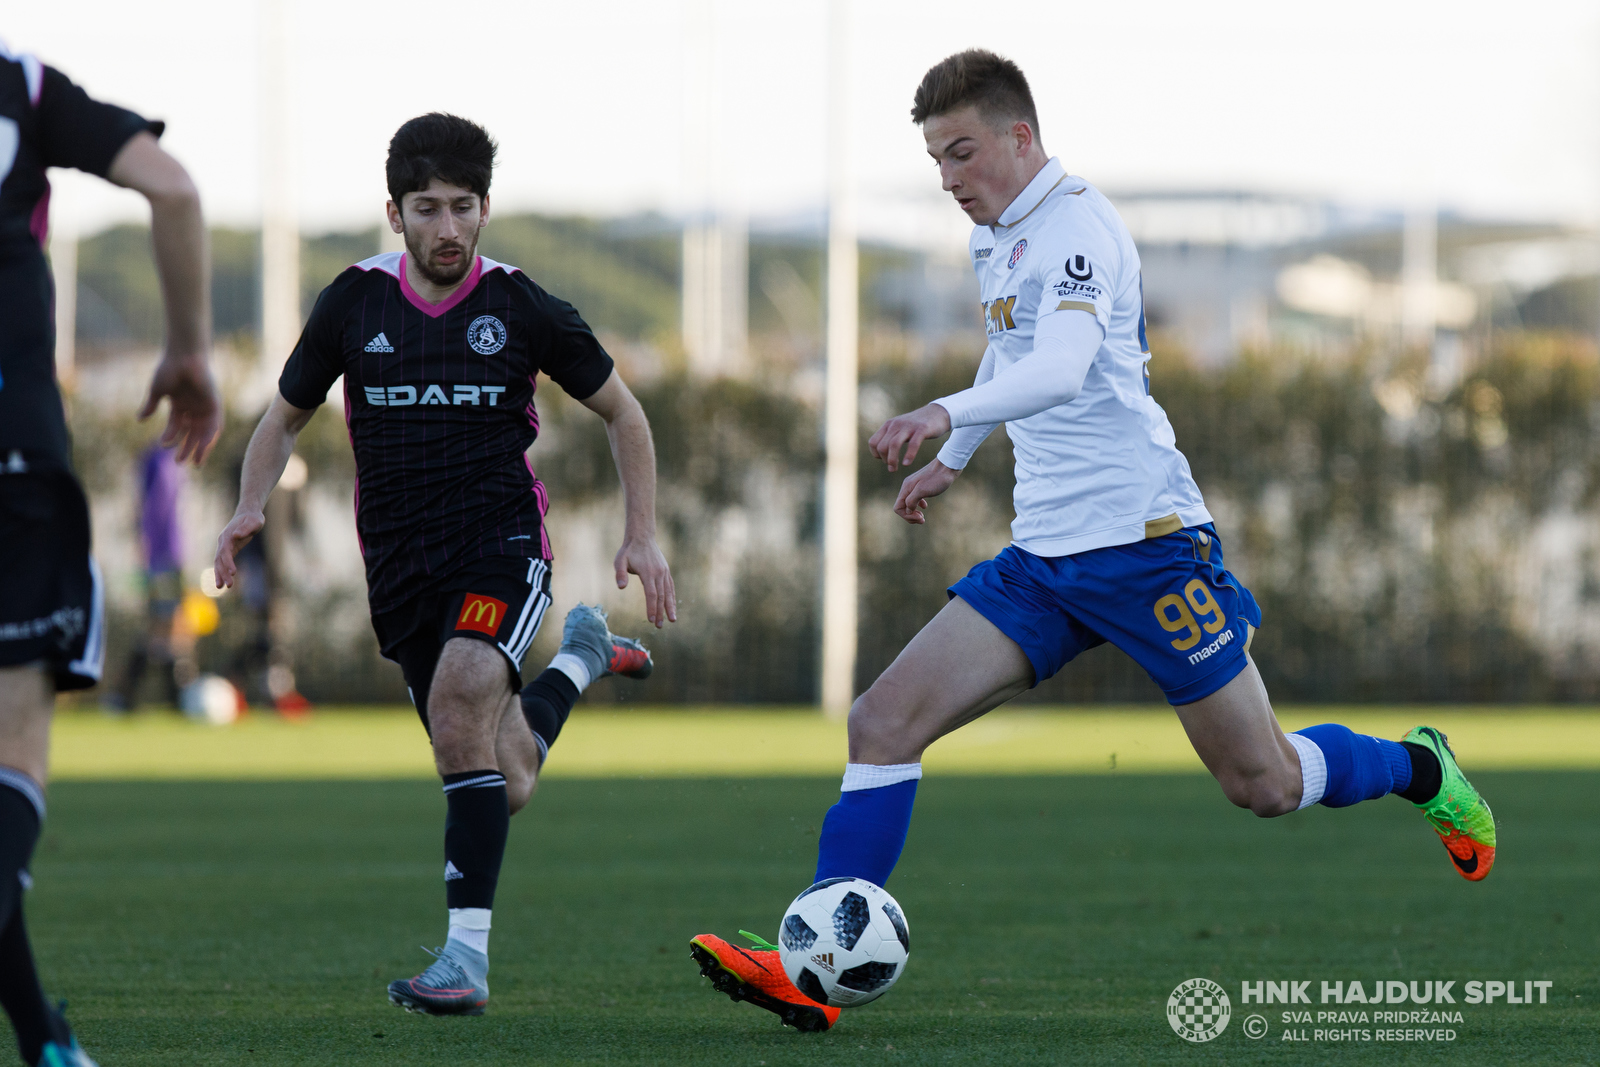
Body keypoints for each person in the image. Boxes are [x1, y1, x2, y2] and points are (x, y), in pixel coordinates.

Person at [690, 49, 1497, 1032]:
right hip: (1044, 561)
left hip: (1151, 550)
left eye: (962, 152)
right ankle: (807, 971)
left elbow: (1066, 364)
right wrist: (963, 455)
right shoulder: (1000, 236)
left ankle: (1420, 766)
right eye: (937, 161)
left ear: (1018, 137)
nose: (948, 179)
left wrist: (944, 413)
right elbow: (1012, 345)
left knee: (1265, 782)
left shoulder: (1076, 228)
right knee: (880, 722)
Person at [213, 113, 675, 1017]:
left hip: (502, 545)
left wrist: (642, 530)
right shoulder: (353, 303)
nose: (449, 228)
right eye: (428, 209)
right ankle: (581, 656)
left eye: (464, 207)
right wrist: (247, 507)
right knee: (505, 778)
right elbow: (281, 421)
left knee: (465, 694)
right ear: (395, 214)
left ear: (486, 209)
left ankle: (465, 961)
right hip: (400, 571)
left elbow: (626, 413)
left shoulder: (522, 305)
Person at [0, 43, 221, 1067]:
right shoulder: (22, 81)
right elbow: (171, 192)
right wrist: (186, 349)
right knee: (11, 764)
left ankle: (44, 1039)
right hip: (14, 470)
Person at [109, 443, 190, 711]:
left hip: (167, 558)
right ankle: (128, 696)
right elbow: (155, 510)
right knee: (163, 626)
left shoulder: (166, 459)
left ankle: (166, 697)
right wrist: (151, 553)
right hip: (164, 559)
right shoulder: (163, 460)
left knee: (168, 627)